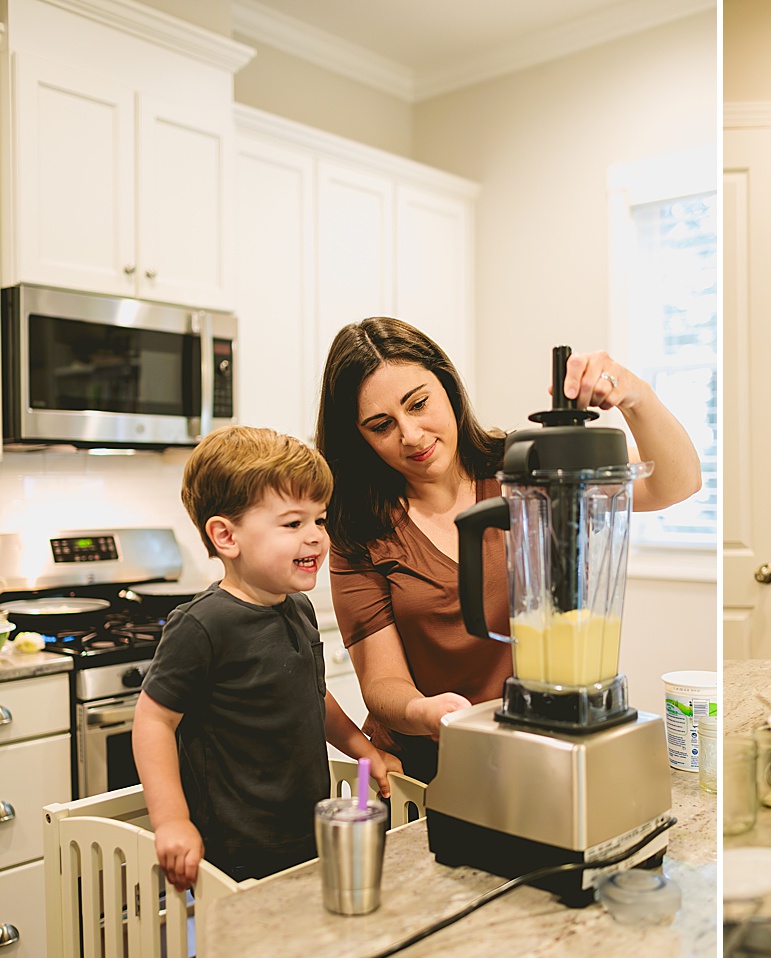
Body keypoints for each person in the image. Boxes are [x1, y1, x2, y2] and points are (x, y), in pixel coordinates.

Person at [317, 319, 702, 782]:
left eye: (418, 404)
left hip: (540, 751)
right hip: (424, 773)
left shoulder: (528, 469)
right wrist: (424, 712)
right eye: (382, 426)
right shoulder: (360, 529)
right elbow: (381, 682)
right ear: (359, 437)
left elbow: (676, 483)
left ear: (447, 385)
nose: (412, 435)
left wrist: (633, 393)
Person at [133, 426, 402, 889]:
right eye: (293, 523)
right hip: (237, 852)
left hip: (307, 836)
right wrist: (173, 820)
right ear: (226, 536)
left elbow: (313, 698)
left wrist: (365, 751)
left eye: (320, 520)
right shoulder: (202, 624)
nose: (316, 537)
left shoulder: (297, 608)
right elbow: (153, 723)